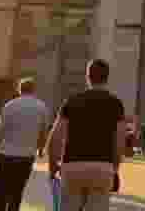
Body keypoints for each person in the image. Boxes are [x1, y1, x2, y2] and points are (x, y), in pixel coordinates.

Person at [46, 59, 126, 211]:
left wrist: (53, 168)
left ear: (87, 76)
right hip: (102, 167)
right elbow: (120, 140)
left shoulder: (72, 101)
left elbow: (55, 137)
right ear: (107, 77)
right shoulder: (116, 104)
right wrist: (114, 168)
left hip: (72, 165)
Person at [0, 78, 50, 211]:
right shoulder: (41, 107)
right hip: (26, 156)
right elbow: (43, 132)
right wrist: (40, 149)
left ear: (19, 89)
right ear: (34, 90)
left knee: (1, 192)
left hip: (6, 154)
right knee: (17, 192)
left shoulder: (10, 105)